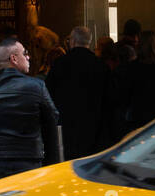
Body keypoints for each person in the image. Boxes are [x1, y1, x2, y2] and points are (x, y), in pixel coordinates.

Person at [0, 38, 60, 181]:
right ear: (14, 58)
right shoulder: (37, 86)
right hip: (29, 158)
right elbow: (52, 117)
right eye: (25, 53)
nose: (28, 57)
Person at [45, 27, 112, 160]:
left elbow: (48, 95)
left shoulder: (60, 64)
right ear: (89, 42)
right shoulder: (100, 66)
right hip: (94, 128)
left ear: (73, 41)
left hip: (66, 128)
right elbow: (109, 99)